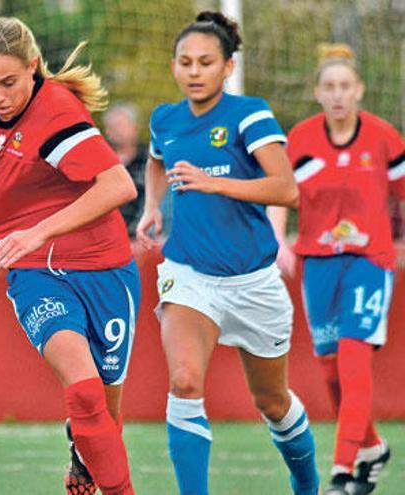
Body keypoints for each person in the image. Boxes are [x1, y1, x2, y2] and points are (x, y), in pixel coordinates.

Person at [0, 16, 140, 495]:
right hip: (37, 271)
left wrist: (37, 230)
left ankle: (84, 453)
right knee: (83, 390)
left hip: (104, 267)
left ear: (34, 67)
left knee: (104, 408)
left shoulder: (57, 113)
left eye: (9, 82)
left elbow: (119, 185)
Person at [135, 11, 320, 495]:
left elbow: (287, 190)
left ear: (227, 67)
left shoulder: (249, 114)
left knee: (273, 402)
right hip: (189, 275)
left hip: (253, 282)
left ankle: (308, 485)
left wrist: (214, 182)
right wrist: (152, 207)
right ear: (174, 67)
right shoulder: (166, 119)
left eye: (206, 62)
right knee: (184, 380)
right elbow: (157, 162)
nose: (195, 71)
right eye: (185, 62)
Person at [268, 43, 402, 495]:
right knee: (329, 370)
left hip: (370, 262)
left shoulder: (384, 136)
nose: (338, 95)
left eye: (346, 86)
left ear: (359, 90)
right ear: (317, 93)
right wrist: (278, 240)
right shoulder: (302, 139)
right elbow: (281, 195)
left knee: (353, 358)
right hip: (317, 264)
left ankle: (342, 471)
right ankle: (372, 447)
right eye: (330, 87)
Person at [102, 103, 147, 235]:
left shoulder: (150, 161)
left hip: (142, 235)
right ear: (107, 131)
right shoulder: (100, 163)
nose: (117, 131)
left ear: (135, 128)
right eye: (113, 127)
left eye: (122, 125)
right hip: (106, 235)